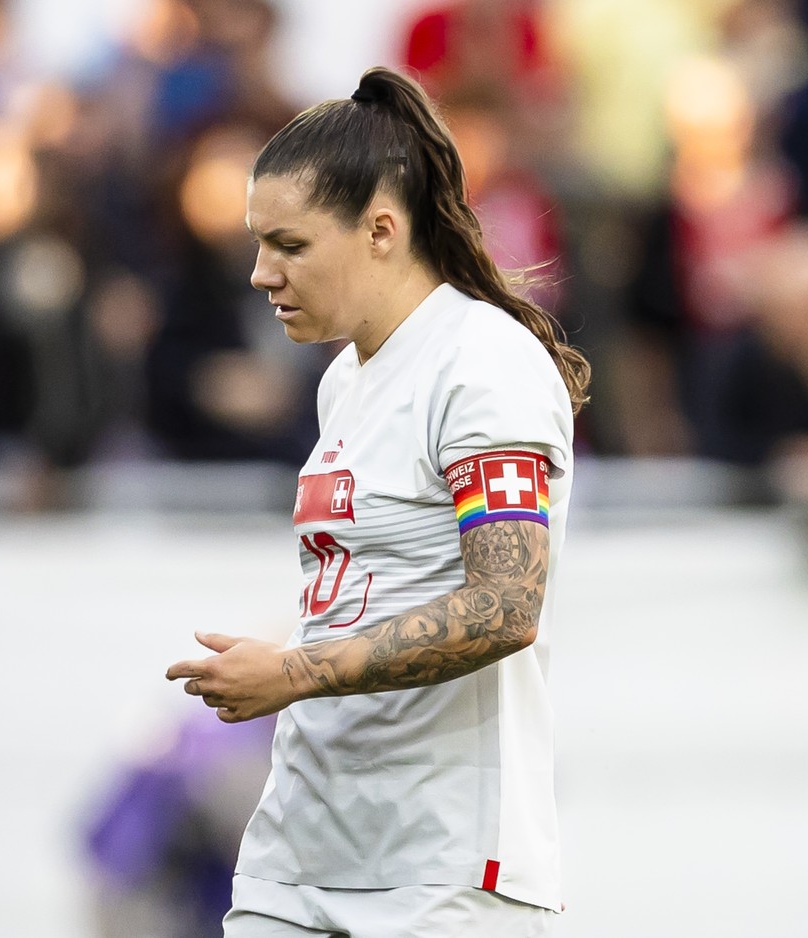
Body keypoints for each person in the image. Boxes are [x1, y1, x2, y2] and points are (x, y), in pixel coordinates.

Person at [166, 66, 590, 937]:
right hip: (306, 848)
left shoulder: (485, 364)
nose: (259, 272)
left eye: (289, 244)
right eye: (257, 244)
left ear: (383, 232)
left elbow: (506, 605)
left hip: (443, 873)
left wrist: (292, 671)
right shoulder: (342, 381)